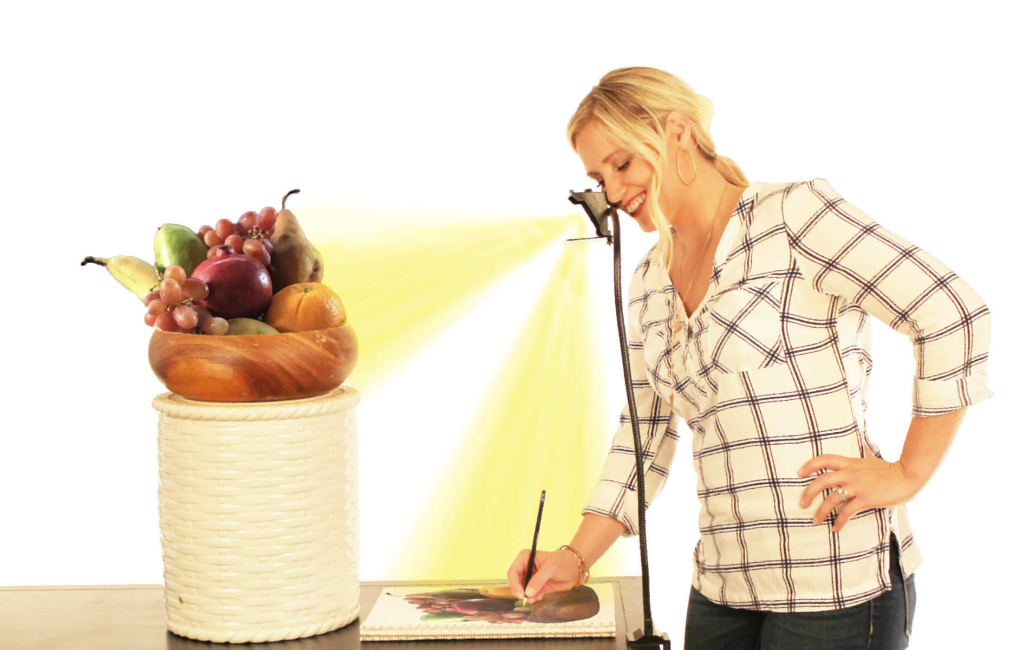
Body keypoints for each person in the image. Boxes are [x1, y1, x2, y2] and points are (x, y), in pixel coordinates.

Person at [506, 67, 992, 649]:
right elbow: (644, 433)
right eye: (596, 176)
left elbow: (952, 313)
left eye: (622, 164)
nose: (610, 192)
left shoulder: (793, 218)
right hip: (722, 588)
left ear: (678, 133)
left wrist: (908, 473)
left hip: (835, 583)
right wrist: (575, 556)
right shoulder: (647, 282)